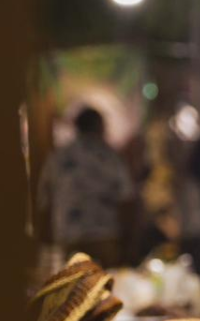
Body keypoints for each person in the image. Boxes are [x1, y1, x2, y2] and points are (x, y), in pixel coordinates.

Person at [37, 107, 133, 268]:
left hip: (68, 237)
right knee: (104, 287)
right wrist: (127, 240)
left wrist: (48, 239)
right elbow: (126, 198)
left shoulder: (59, 157)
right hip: (105, 236)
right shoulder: (110, 156)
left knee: (73, 288)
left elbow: (44, 200)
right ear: (99, 127)